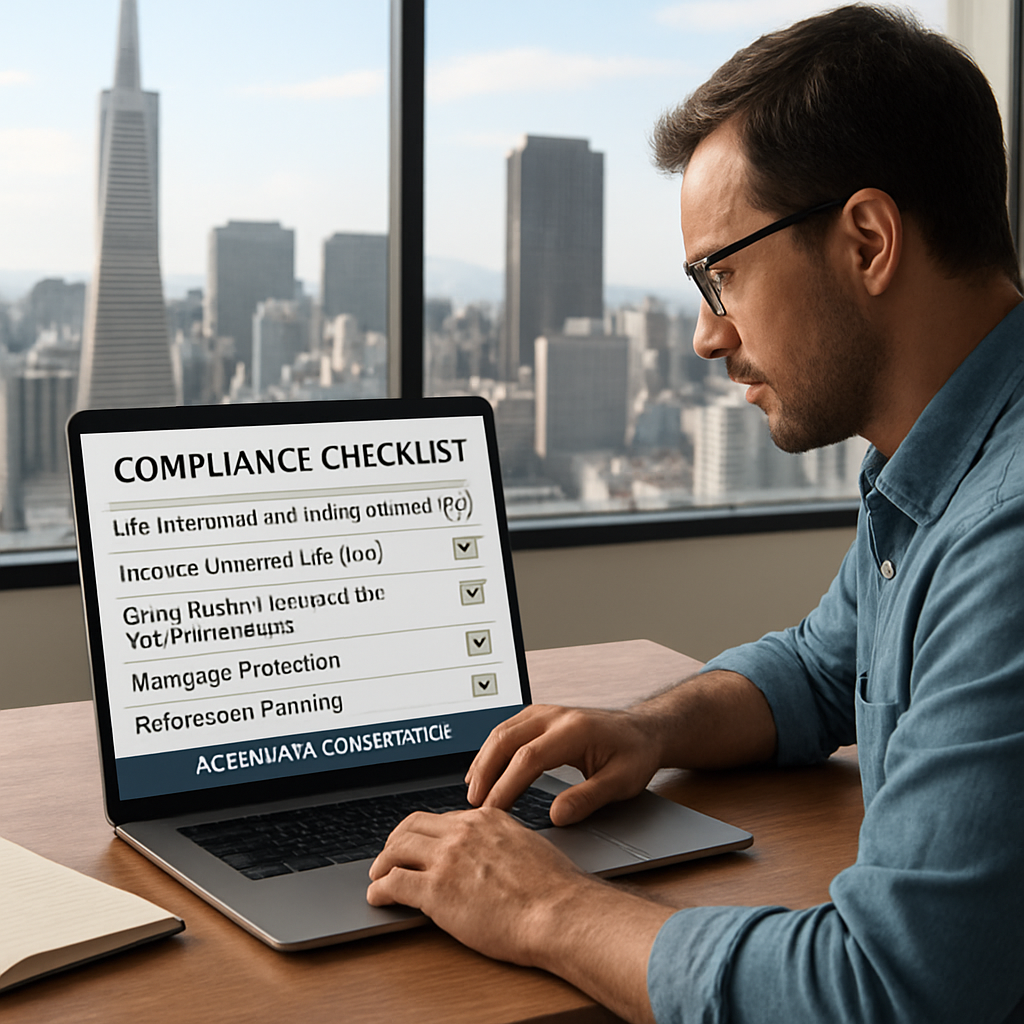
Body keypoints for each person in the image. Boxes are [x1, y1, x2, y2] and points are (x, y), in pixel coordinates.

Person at [367, 6, 1024, 1022]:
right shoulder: (939, 469)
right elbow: (820, 667)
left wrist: (546, 908)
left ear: (866, 239)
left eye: (719, 273)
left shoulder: (1006, 530)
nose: (706, 336)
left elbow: (891, 989)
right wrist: (646, 725)